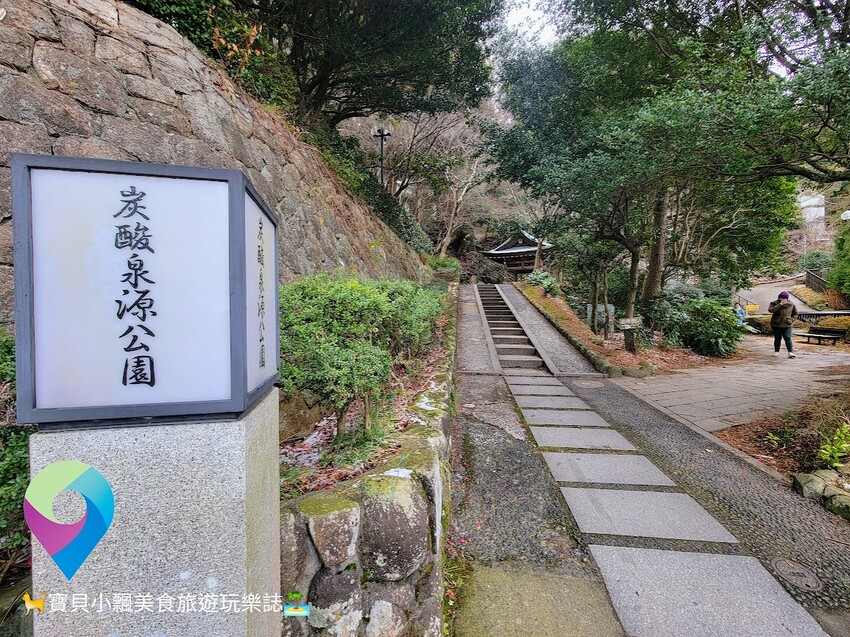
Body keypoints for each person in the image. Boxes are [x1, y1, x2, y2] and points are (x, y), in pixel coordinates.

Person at [768, 291, 798, 358]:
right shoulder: (774, 303)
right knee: (777, 338)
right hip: (776, 324)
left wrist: (792, 319)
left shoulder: (791, 304)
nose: (782, 299)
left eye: (784, 298)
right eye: (780, 298)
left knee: (787, 337)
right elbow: (771, 310)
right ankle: (776, 352)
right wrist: (780, 304)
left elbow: (795, 314)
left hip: (787, 324)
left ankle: (790, 352)